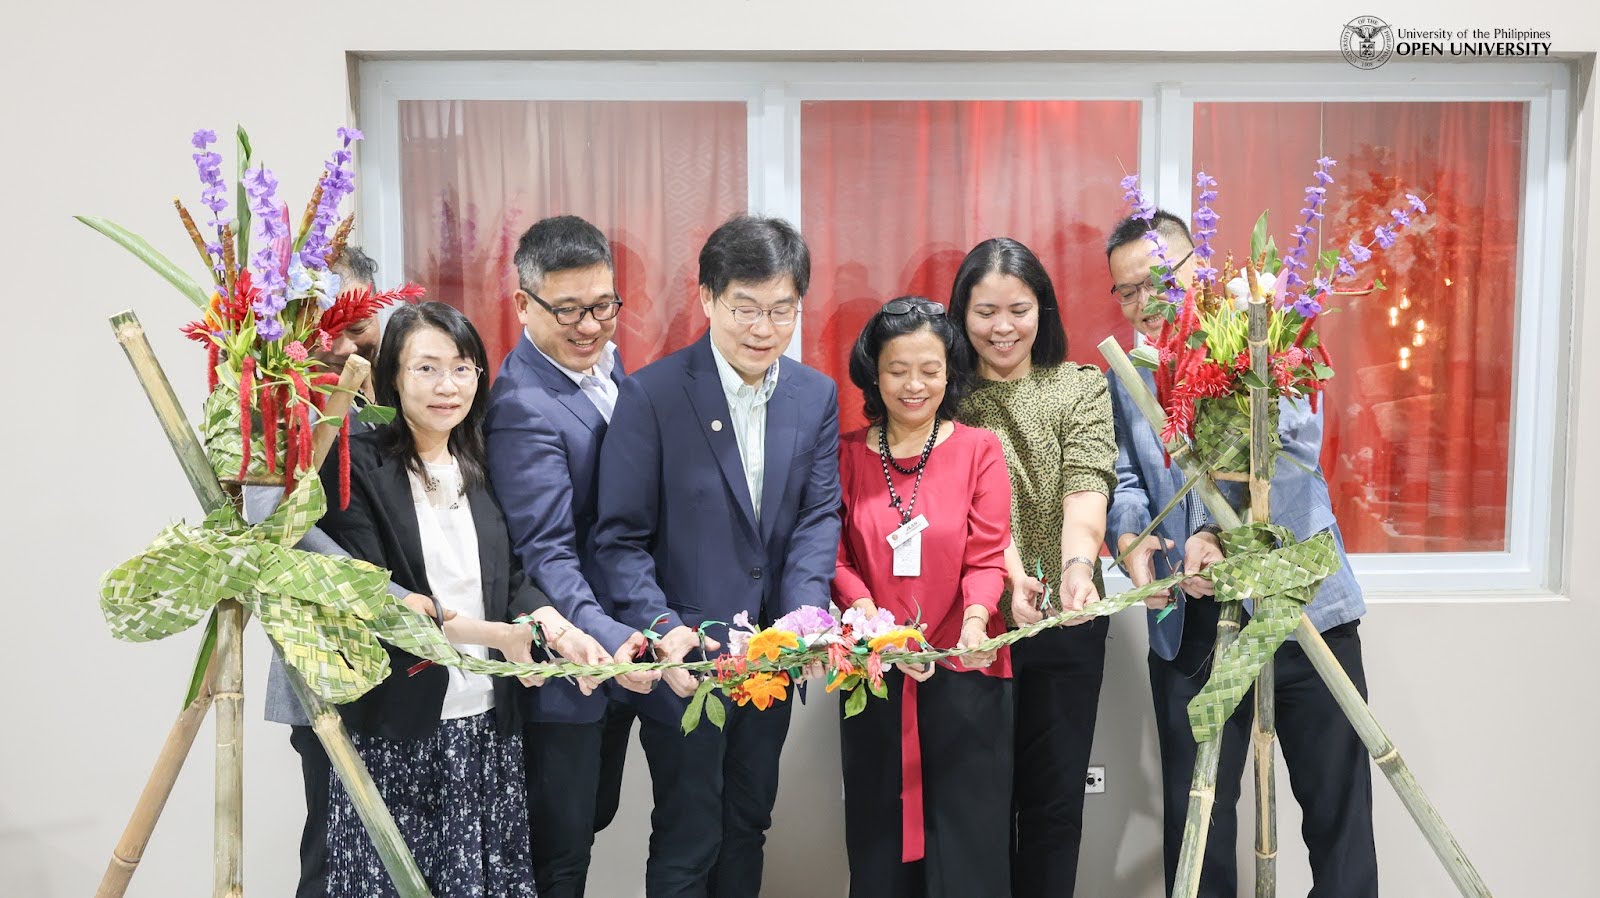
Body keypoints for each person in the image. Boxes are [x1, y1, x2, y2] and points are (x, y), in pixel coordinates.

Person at [1105, 211, 1376, 898]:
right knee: (1198, 825)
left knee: (1338, 816)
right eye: (1127, 292)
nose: (1145, 302)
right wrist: (1141, 549)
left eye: (1158, 280)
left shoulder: (1267, 336)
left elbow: (1294, 453)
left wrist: (1222, 537)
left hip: (1301, 611)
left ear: (1198, 265)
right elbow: (1129, 481)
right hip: (1196, 626)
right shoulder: (1128, 372)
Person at [590, 215, 841, 897]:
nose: (763, 328)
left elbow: (819, 517)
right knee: (688, 830)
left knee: (749, 821)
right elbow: (618, 539)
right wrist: (663, 628)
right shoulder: (654, 395)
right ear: (707, 298)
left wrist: (805, 617)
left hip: (773, 658)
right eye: (745, 308)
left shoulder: (813, 395)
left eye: (780, 310)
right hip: (685, 661)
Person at [315, 301, 583, 898]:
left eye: (462, 368)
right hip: (400, 725)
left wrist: (550, 625)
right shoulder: (355, 464)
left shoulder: (479, 459)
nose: (447, 386)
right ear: (392, 377)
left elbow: (510, 578)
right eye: (427, 369)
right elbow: (379, 599)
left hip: (488, 720)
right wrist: (503, 639)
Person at [486, 215, 657, 898]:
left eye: (603, 306)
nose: (591, 326)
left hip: (612, 651)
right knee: (556, 857)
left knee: (589, 820)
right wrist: (612, 637)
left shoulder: (614, 374)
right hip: (566, 661)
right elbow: (545, 554)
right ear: (523, 304)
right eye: (569, 311)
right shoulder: (523, 406)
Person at [250, 246, 421, 898]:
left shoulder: (383, 388)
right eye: (339, 325)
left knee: (404, 857)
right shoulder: (272, 400)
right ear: (297, 322)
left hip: (409, 669)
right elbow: (276, 528)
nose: (357, 340)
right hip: (334, 674)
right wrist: (392, 597)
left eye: (365, 322)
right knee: (340, 864)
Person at [948, 238, 1116, 897]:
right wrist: (1009, 580)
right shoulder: (944, 397)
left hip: (1070, 619)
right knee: (977, 806)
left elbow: (1087, 483)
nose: (1002, 327)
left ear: (1042, 308)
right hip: (975, 623)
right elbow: (964, 512)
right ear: (961, 313)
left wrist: (1077, 567)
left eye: (1018, 309)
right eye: (985, 310)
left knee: (1054, 806)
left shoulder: (1079, 386)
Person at [832, 296, 1015, 898]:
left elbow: (986, 557)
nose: (915, 385)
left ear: (950, 370)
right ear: (872, 373)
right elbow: (835, 560)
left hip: (965, 666)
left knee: (969, 845)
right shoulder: (848, 456)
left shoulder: (979, 450)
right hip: (875, 672)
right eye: (897, 370)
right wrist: (873, 626)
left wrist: (975, 623)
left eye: (930, 370)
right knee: (878, 843)